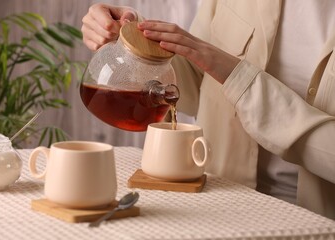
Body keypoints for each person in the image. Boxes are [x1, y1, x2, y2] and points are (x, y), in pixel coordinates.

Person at [81, 0, 335, 219]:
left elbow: (225, 72)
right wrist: (138, 39)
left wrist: (241, 80)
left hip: (318, 220)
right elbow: (196, 83)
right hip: (219, 204)